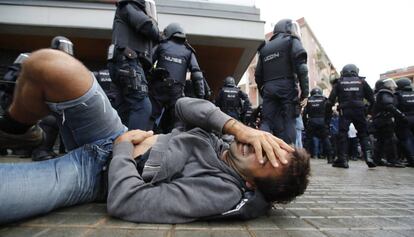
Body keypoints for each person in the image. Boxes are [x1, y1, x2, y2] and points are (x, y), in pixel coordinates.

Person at [0, 49, 310, 224]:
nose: (261, 146)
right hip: (111, 133)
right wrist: (238, 127)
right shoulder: (228, 143)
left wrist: (122, 152)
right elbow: (184, 106)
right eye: (270, 144)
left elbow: (129, 203)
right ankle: (18, 133)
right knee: (47, 64)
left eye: (266, 158)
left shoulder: (223, 191)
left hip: (94, 173)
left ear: (252, 184)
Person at [107, 0, 160, 130]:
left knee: (124, 110)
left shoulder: (127, 8)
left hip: (124, 64)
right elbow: (148, 26)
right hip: (127, 62)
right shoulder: (128, 6)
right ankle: (132, 148)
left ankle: (119, 146)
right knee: (142, 106)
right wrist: (161, 36)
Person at [255, 19, 309, 144]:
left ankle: (264, 151)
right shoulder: (291, 40)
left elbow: (258, 75)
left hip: (268, 88)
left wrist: (264, 92)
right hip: (287, 86)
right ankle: (288, 155)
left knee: (267, 121)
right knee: (289, 119)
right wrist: (305, 94)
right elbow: (302, 68)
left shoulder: (264, 48)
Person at [149, 23, 205, 133]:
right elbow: (197, 74)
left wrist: (150, 77)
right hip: (176, 91)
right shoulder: (188, 51)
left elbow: (147, 63)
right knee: (177, 123)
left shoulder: (161, 45)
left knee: (150, 118)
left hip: (158, 88)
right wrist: (201, 96)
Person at [328, 64, 376, 168]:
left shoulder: (339, 82)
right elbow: (372, 99)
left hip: (345, 111)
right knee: (363, 133)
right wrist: (368, 112)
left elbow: (330, 100)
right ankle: (369, 158)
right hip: (359, 110)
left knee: (343, 134)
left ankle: (343, 160)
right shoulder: (362, 81)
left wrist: (327, 115)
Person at [371, 78, 406, 167]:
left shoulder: (379, 94)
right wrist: (400, 114)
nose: (392, 85)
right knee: (390, 140)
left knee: (381, 141)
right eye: (389, 84)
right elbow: (389, 105)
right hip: (385, 119)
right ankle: (392, 160)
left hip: (379, 119)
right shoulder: (385, 93)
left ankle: (376, 159)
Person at [303, 87, 334, 163]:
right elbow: (329, 113)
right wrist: (327, 123)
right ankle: (330, 158)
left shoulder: (309, 100)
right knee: (325, 139)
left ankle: (304, 158)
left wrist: (305, 124)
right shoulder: (325, 99)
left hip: (311, 121)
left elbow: (304, 114)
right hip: (322, 121)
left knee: (308, 140)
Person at [394, 77, 414, 167]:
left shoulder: (397, 95)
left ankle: (412, 159)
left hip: (403, 120)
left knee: (406, 140)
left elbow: (394, 107)